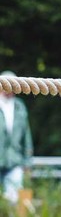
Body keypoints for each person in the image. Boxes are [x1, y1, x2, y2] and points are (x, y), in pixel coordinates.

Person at [0, 71, 33, 204]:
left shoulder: (20, 106)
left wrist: (28, 162)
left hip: (14, 160)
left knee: (14, 201)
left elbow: (26, 136)